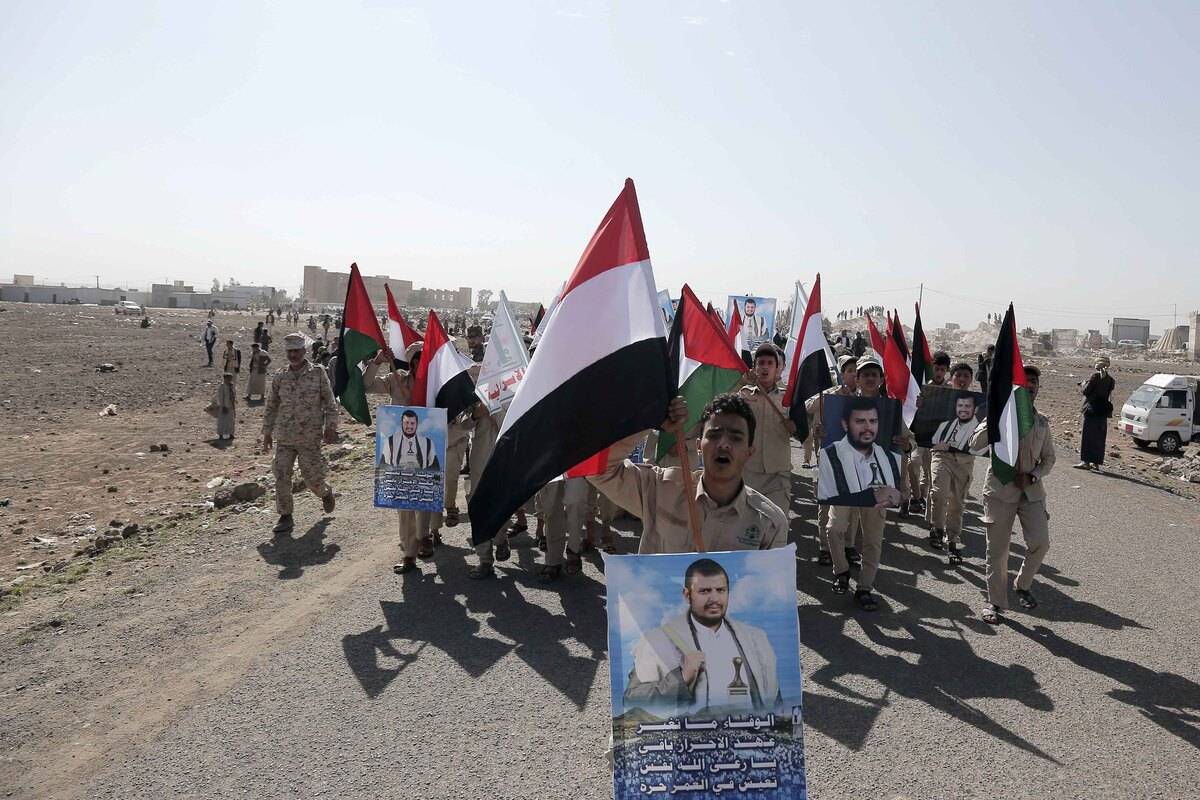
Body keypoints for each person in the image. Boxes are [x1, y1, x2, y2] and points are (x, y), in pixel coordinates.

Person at [589, 393, 788, 554]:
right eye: (714, 435)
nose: (724, 444)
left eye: (736, 438)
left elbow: (770, 598)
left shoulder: (769, 523)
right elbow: (598, 470)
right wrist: (650, 418)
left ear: (749, 453)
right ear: (698, 447)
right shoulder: (660, 490)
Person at [623, 558, 780, 717]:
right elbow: (632, 699)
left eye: (720, 590)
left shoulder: (755, 639)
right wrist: (681, 678)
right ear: (687, 594)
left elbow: (773, 701)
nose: (714, 599)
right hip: (687, 739)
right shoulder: (658, 640)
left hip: (750, 736)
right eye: (704, 591)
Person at [817, 352, 907, 611]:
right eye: (864, 374)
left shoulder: (891, 410)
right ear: (856, 378)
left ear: (881, 380)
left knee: (872, 540)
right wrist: (819, 433)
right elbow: (825, 433)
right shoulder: (840, 405)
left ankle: (865, 588)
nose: (869, 378)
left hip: (878, 484)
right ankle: (841, 571)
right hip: (844, 481)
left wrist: (905, 443)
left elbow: (907, 440)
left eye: (874, 374)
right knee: (834, 529)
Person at [970, 365, 1056, 625]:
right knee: (997, 550)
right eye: (1026, 381)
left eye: (1034, 383)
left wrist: (1032, 475)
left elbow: (1049, 458)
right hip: (999, 490)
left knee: (1041, 542)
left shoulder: (1041, 422)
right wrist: (995, 420)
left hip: (1030, 492)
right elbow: (975, 445)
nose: (1030, 386)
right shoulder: (1001, 416)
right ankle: (994, 601)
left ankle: (1022, 584)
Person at [362, 343, 445, 573]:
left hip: (427, 452)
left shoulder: (437, 387)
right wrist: (377, 362)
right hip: (399, 452)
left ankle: (423, 535)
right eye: (416, 361)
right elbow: (366, 385)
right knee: (404, 505)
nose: (420, 365)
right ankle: (409, 554)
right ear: (411, 363)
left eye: (424, 360)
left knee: (424, 499)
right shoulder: (395, 381)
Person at [261, 333, 338, 535]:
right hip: (285, 436)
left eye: (297, 351)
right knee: (281, 474)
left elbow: (330, 403)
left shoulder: (318, 374)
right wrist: (267, 432)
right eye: (290, 351)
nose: (293, 355)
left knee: (312, 478)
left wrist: (331, 427)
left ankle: (325, 492)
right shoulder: (280, 376)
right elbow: (271, 405)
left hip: (309, 437)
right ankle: (285, 516)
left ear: (305, 351)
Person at [806, 355, 858, 565]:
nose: (854, 374)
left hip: (854, 461)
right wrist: (825, 397)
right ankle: (824, 547)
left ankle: (849, 545)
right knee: (826, 504)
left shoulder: (864, 398)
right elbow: (808, 407)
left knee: (853, 505)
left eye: (856, 371)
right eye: (849, 370)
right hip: (828, 457)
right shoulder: (828, 395)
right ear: (841, 374)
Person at [928, 374, 982, 563]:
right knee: (939, 493)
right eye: (960, 406)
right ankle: (937, 527)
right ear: (952, 379)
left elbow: (980, 445)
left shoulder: (977, 424)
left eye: (967, 406)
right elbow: (929, 434)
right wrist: (921, 406)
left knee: (957, 503)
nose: (961, 379)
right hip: (942, 457)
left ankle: (952, 541)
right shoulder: (943, 412)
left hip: (963, 462)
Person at [738, 343, 795, 516]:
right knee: (747, 530)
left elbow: (802, 432)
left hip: (777, 475)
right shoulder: (743, 394)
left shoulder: (788, 398)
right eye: (761, 363)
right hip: (749, 472)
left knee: (777, 528)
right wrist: (740, 381)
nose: (765, 367)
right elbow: (721, 406)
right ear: (754, 368)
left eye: (770, 363)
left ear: (777, 369)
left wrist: (795, 428)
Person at [1076, 356, 1115, 470]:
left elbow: (1086, 392)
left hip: (1091, 410)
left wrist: (1083, 385)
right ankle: (1096, 463)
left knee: (1088, 437)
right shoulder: (1111, 380)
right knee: (1099, 438)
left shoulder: (1095, 376)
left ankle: (1086, 462)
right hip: (1102, 412)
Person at [208, 372, 237, 440]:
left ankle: (231, 434)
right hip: (224, 406)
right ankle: (221, 435)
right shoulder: (222, 386)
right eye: (228, 379)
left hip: (231, 406)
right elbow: (220, 397)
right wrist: (223, 406)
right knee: (222, 421)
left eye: (230, 378)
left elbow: (234, 395)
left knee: (231, 421)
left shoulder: (232, 386)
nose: (229, 380)